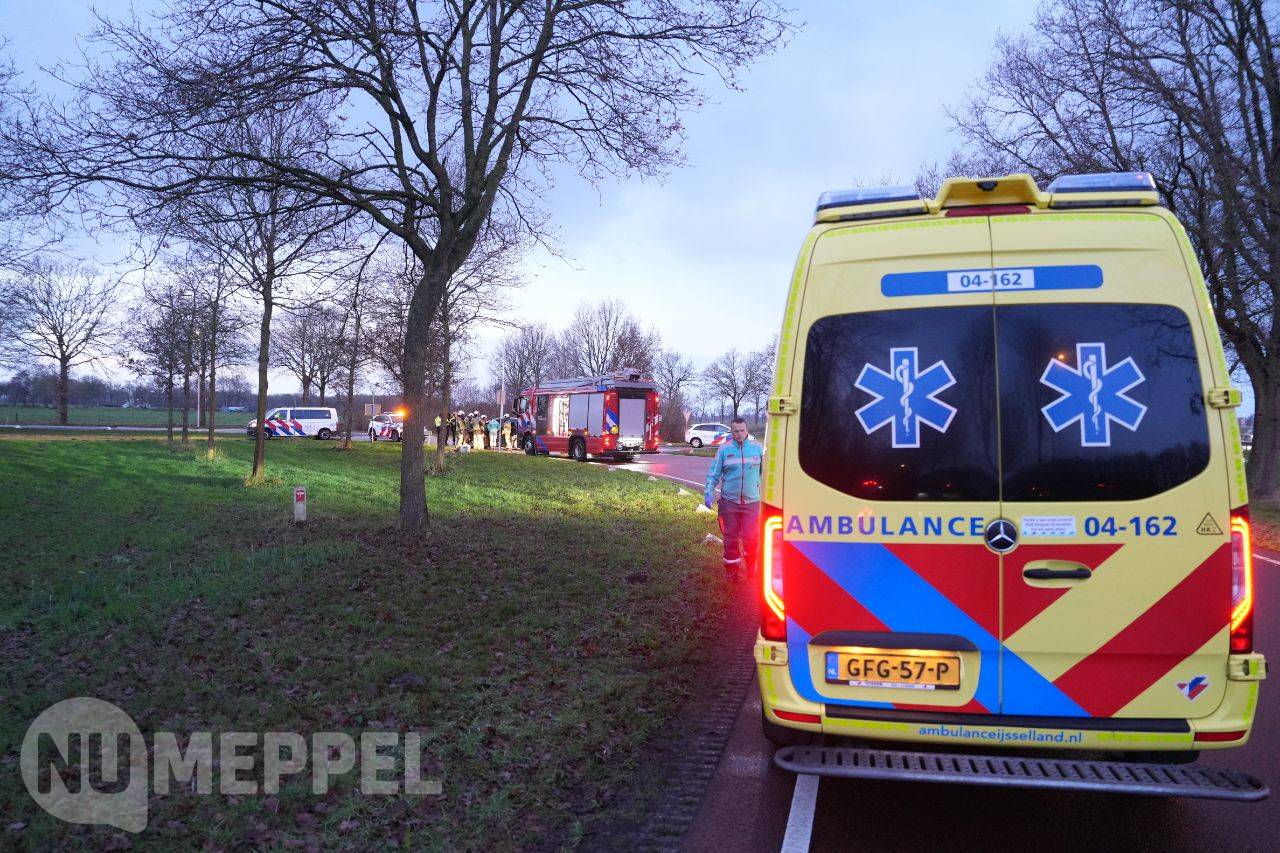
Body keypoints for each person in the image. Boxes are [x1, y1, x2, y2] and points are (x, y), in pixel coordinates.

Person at [703, 417, 764, 582]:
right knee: (730, 538)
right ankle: (732, 571)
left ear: (747, 430)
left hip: (752, 503)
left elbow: (765, 475)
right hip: (729, 503)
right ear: (732, 432)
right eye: (735, 431)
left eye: (742, 431)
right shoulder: (724, 450)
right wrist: (708, 491)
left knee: (751, 537)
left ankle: (751, 565)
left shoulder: (758, 449)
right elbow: (714, 473)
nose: (739, 434)